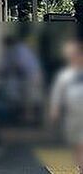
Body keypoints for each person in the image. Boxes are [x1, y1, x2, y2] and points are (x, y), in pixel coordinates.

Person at [50, 38, 83, 173]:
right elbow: (57, 93)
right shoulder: (65, 75)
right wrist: (55, 109)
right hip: (72, 116)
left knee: (81, 144)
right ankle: (79, 168)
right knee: (76, 145)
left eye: (75, 54)